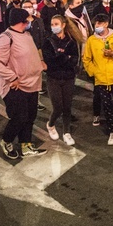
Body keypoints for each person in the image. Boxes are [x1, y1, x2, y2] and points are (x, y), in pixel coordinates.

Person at [0, 8, 46, 159]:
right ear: (22, 21)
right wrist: (12, 77)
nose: (30, 22)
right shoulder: (6, 38)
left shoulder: (26, 34)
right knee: (20, 117)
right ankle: (6, 140)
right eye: (28, 19)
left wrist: (40, 62)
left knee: (30, 116)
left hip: (32, 83)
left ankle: (25, 144)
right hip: (16, 86)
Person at [83, 14, 113, 146]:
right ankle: (112, 130)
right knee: (107, 105)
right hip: (101, 80)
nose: (97, 26)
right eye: (96, 24)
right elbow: (86, 59)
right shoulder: (91, 40)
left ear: (106, 23)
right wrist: (94, 72)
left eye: (100, 23)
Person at [42, 15, 79, 146]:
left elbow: (74, 60)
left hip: (68, 77)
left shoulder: (71, 41)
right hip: (54, 78)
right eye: (52, 24)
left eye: (56, 24)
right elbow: (50, 61)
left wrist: (60, 56)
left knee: (67, 106)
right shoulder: (48, 41)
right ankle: (51, 124)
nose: (54, 27)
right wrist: (65, 57)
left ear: (63, 25)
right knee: (57, 107)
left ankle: (66, 132)